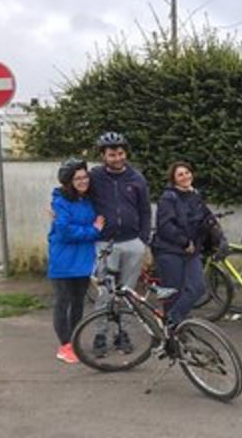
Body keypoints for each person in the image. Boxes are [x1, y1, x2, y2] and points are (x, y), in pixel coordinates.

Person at [89, 131, 151, 356]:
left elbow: (145, 210)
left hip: (133, 243)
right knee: (106, 292)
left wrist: (143, 240)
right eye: (111, 154)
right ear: (103, 156)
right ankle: (100, 335)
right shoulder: (94, 176)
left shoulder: (137, 178)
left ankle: (122, 333)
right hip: (105, 243)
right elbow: (74, 189)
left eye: (120, 153)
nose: (117, 158)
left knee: (127, 294)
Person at [47, 159, 104, 364]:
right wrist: (93, 230)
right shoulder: (61, 201)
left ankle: (74, 340)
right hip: (63, 260)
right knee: (62, 303)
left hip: (82, 260)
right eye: (77, 178)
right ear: (68, 182)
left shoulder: (86, 200)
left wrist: (95, 229)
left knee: (78, 303)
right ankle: (64, 346)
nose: (83, 181)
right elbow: (65, 232)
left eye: (84, 177)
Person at [151, 162, 219, 326]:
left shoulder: (195, 195)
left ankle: (172, 319)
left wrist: (216, 234)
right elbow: (165, 225)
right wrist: (184, 242)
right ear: (173, 179)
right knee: (173, 293)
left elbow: (206, 218)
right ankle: (172, 329)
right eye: (180, 174)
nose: (185, 177)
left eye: (187, 172)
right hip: (169, 251)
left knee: (198, 287)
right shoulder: (168, 198)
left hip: (191, 251)